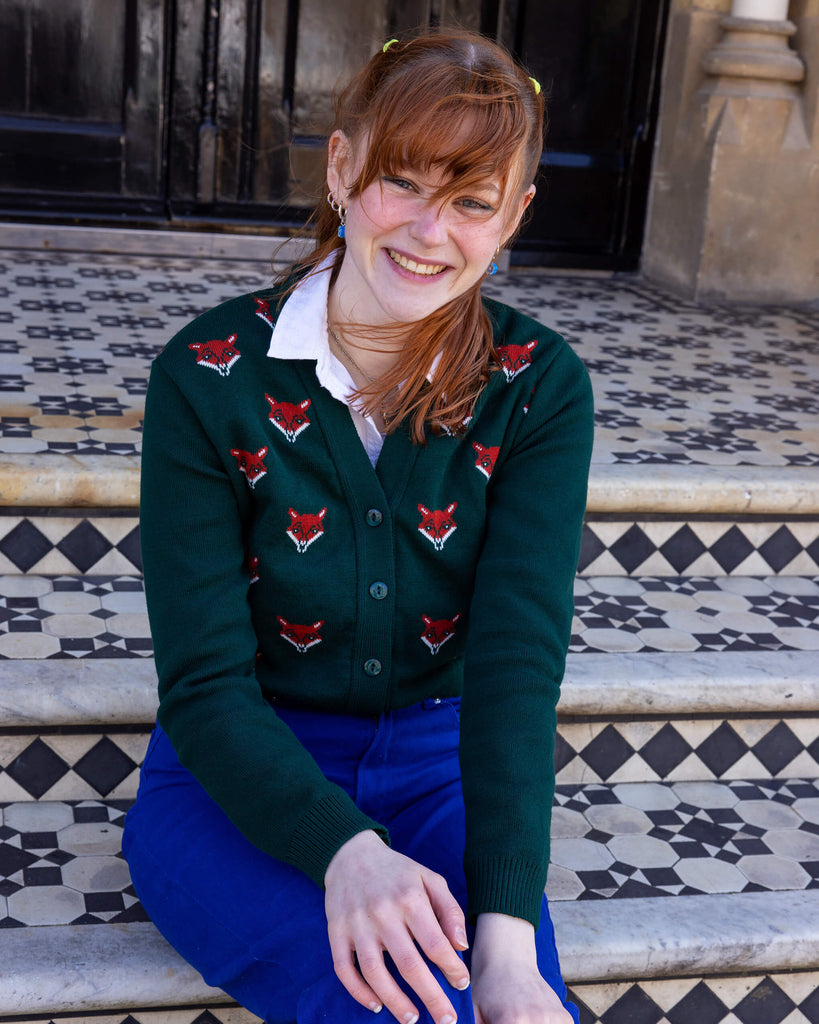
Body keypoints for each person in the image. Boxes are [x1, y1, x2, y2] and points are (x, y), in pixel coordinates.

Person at [123, 28, 593, 1024]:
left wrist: (510, 950)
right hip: (238, 773)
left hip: (441, 766)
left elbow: (515, 670)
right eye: (405, 184)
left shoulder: (537, 387)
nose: (432, 231)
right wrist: (344, 852)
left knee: (509, 1007)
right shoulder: (208, 378)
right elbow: (205, 688)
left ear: (513, 217)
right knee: (400, 1008)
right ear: (341, 167)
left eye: (472, 202)